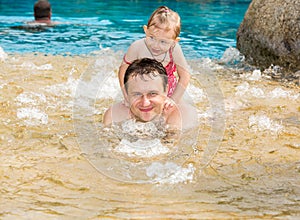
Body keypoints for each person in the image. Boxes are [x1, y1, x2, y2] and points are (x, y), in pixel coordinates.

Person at [118, 6, 190, 107]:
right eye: (152, 38)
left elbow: (185, 76)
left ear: (174, 42)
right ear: (146, 30)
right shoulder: (137, 46)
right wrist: (126, 95)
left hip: (167, 89)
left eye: (163, 42)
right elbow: (123, 71)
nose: (156, 45)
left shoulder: (174, 49)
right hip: (142, 86)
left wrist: (174, 99)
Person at [103, 58, 182, 129]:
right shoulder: (114, 115)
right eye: (137, 94)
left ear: (166, 90)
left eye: (152, 93)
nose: (145, 103)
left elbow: (171, 144)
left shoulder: (175, 115)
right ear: (126, 93)